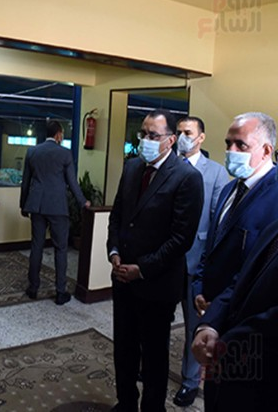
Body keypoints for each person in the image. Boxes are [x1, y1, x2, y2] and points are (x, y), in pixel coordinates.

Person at [106, 109, 203, 412]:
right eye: (143, 134)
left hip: (157, 284)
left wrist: (142, 269)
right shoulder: (132, 167)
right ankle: (126, 403)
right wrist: (114, 252)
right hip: (123, 278)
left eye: (153, 135)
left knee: (154, 357)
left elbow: (181, 238)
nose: (145, 140)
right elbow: (118, 216)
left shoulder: (187, 177)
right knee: (124, 349)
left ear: (170, 140)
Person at [193, 112, 278, 316]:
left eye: (241, 145)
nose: (231, 151)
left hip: (243, 312)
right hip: (208, 303)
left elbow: (260, 267)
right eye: (228, 143)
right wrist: (199, 288)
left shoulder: (275, 195)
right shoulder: (229, 189)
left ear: (266, 150)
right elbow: (212, 246)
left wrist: (220, 307)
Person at [191, 218, 278, 411]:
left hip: (262, 380)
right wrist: (210, 323)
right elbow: (242, 278)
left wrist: (227, 343)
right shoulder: (274, 226)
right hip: (226, 372)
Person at [173, 116, 229, 407]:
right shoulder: (169, 166)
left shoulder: (216, 173)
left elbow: (218, 221)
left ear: (201, 137)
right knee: (156, 319)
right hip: (165, 259)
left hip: (195, 261)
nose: (183, 136)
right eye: (179, 132)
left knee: (193, 326)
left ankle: (190, 382)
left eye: (188, 132)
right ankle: (151, 364)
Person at [20, 120, 88, 305]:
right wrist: (83, 202)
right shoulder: (65, 153)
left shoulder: (32, 151)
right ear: (58, 134)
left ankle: (33, 288)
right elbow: (72, 182)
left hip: (37, 205)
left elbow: (26, 182)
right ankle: (60, 292)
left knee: (36, 246)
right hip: (57, 206)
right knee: (61, 248)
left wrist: (23, 205)